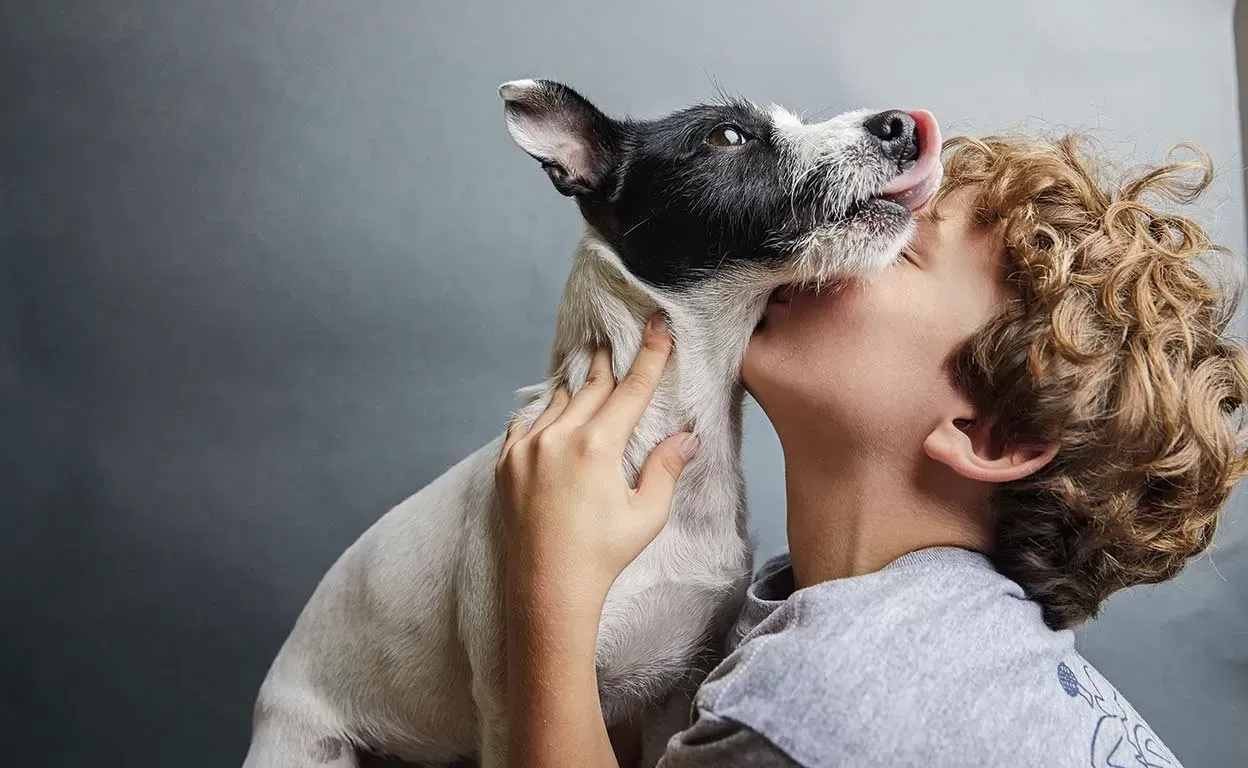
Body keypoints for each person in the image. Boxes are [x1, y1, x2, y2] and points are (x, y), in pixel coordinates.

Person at [493, 134, 1248, 767]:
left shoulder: (824, 700)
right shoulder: (908, 646)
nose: (838, 233)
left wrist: (548, 591)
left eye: (902, 246)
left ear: (989, 435)